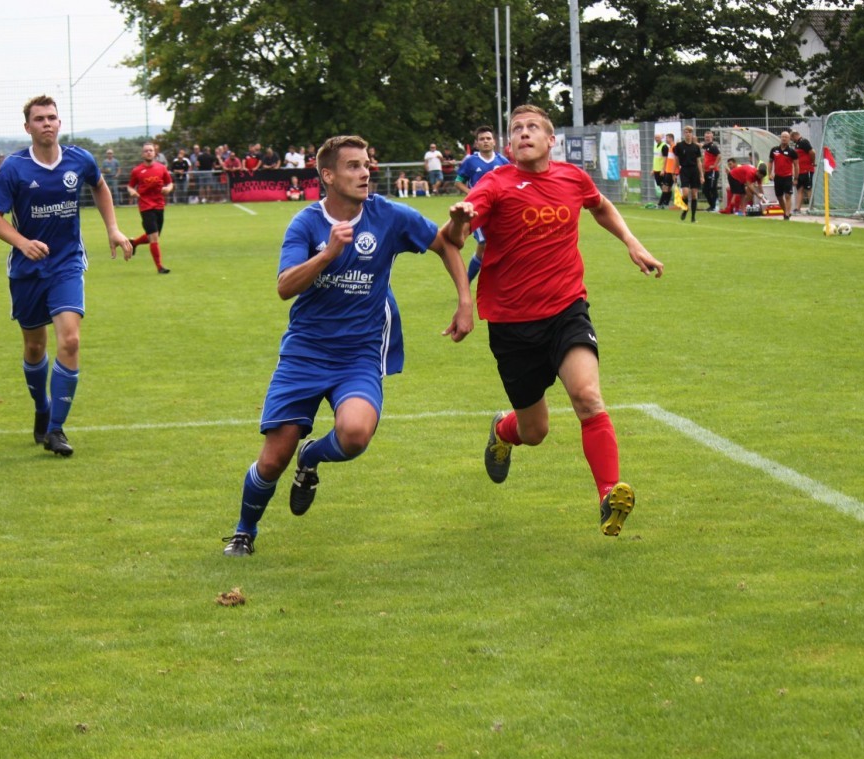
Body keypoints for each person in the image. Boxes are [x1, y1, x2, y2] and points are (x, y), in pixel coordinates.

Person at [222, 134, 473, 556]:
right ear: (328, 175)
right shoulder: (306, 223)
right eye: (354, 166)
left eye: (366, 164)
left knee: (355, 434)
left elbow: (447, 243)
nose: (365, 172)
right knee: (271, 460)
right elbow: (285, 287)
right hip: (305, 352)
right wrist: (327, 254)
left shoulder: (388, 216)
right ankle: (245, 531)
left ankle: (312, 458)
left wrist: (465, 299)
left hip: (359, 353)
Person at [447, 104, 664, 538]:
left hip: (567, 310)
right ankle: (503, 431)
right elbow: (452, 239)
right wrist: (458, 224)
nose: (523, 133)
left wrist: (631, 242)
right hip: (511, 324)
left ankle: (608, 494)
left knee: (587, 397)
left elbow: (599, 206)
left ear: (550, 141)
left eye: (533, 128)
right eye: (516, 129)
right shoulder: (495, 184)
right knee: (536, 430)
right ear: (509, 145)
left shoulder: (571, 177)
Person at [0, 95, 133, 457]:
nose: (47, 123)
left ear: (59, 123)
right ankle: (41, 408)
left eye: (52, 117)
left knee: (70, 341)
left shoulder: (79, 159)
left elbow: (98, 185)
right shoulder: (14, 168)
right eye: (39, 119)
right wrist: (22, 242)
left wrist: (112, 228)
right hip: (27, 270)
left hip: (67, 264)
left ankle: (56, 430)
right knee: (35, 346)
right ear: (28, 127)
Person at [454, 125, 510, 282]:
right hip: (477, 209)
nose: (485, 141)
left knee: (499, 244)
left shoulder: (503, 162)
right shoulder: (471, 161)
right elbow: (458, 182)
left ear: (494, 142)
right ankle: (466, 281)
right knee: (484, 242)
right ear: (476, 143)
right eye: (482, 139)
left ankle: (486, 280)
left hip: (498, 210)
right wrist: (473, 194)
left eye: (488, 138)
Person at [128, 142, 174, 274]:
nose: (149, 152)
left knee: (152, 236)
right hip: (145, 206)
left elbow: (170, 183)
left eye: (151, 150)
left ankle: (134, 243)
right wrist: (132, 191)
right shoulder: (137, 171)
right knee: (154, 238)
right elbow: (130, 186)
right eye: (146, 151)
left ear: (155, 153)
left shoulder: (161, 168)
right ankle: (160, 267)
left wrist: (168, 189)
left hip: (159, 205)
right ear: (143, 154)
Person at [673, 126, 703, 222]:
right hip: (684, 170)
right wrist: (675, 172)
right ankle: (685, 209)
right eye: (686, 132)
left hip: (694, 171)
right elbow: (676, 160)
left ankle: (693, 217)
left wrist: (701, 175)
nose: (688, 134)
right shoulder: (679, 146)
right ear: (684, 134)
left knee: (694, 194)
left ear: (692, 134)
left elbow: (699, 161)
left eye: (689, 132)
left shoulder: (696, 147)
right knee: (685, 193)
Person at [767, 130, 798, 220]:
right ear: (780, 138)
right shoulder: (774, 150)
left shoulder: (792, 152)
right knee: (779, 196)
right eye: (783, 137)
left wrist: (796, 178)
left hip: (788, 176)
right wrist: (770, 173)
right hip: (778, 176)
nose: (784, 139)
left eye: (786, 137)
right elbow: (770, 162)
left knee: (788, 195)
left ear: (789, 139)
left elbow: (796, 165)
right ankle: (786, 211)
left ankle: (787, 214)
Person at [790, 130, 815, 214]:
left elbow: (812, 152)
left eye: (792, 138)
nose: (792, 140)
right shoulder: (797, 144)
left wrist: (812, 162)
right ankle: (798, 208)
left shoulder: (804, 142)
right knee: (799, 188)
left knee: (808, 188)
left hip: (806, 169)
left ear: (794, 136)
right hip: (800, 170)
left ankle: (811, 208)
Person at [700, 130, 722, 212]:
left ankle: (716, 206)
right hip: (707, 171)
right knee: (705, 190)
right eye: (706, 136)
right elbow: (701, 145)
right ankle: (712, 205)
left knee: (712, 188)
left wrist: (715, 165)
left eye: (709, 136)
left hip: (713, 171)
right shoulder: (707, 146)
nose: (707, 138)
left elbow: (719, 155)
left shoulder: (713, 146)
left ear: (712, 137)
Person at [651, 133, 666, 207]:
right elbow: (655, 158)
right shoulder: (655, 146)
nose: (656, 139)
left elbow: (665, 158)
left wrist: (663, 169)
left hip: (661, 170)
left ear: (661, 138)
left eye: (658, 137)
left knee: (664, 186)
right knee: (660, 185)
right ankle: (663, 202)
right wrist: (653, 169)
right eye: (655, 137)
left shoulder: (664, 146)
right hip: (656, 169)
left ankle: (662, 203)